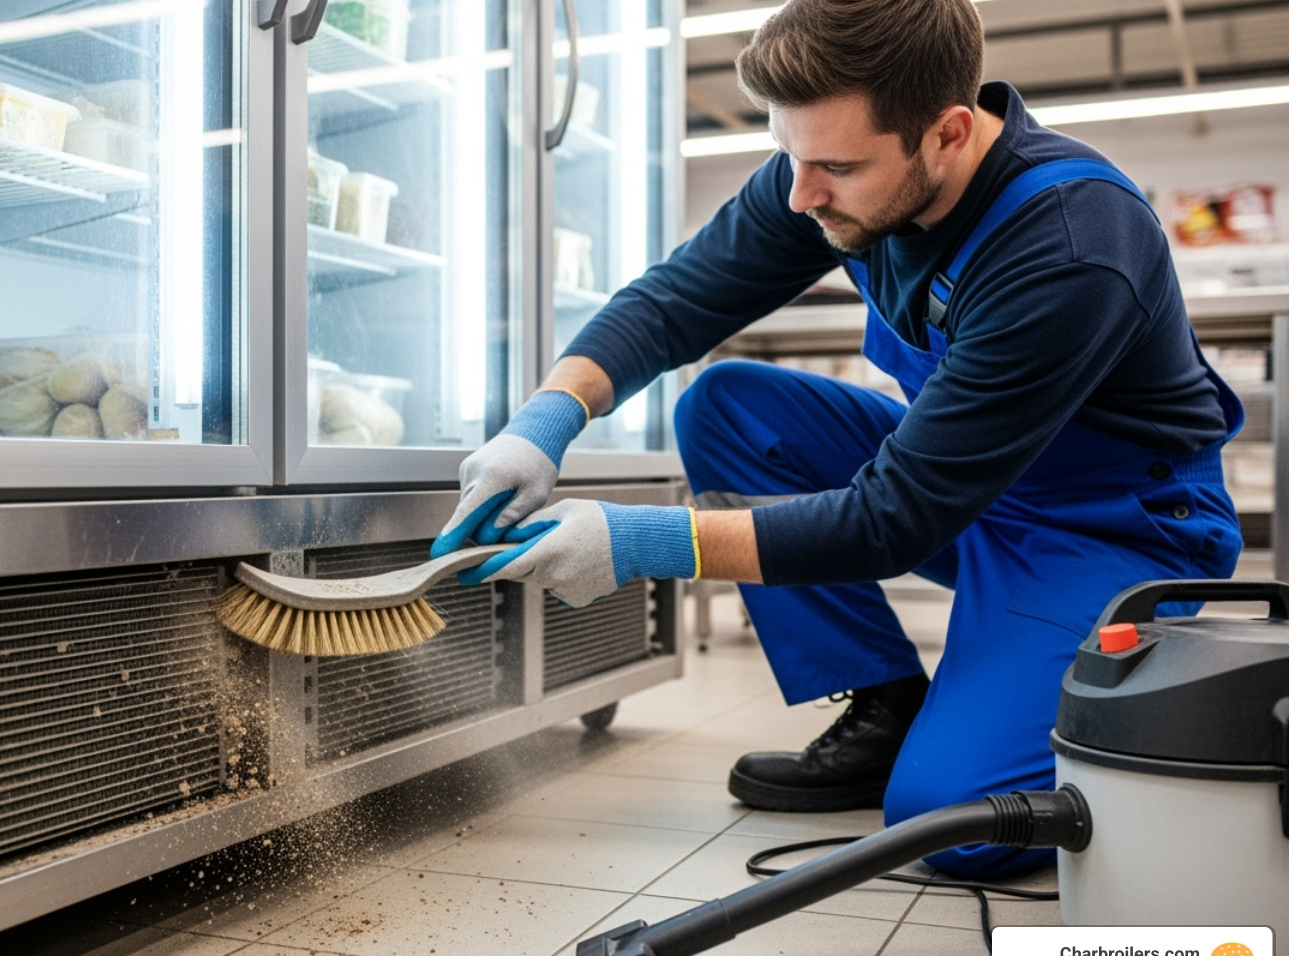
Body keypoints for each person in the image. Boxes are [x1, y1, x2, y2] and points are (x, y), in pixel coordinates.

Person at [433, 0, 1242, 878]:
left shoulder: (1071, 242)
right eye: (790, 153)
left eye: (836, 167)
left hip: (1107, 527)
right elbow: (676, 302)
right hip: (967, 496)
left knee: (957, 823)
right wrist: (543, 423)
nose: (799, 193)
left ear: (948, 133)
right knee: (728, 407)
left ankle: (1043, 685)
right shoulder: (827, 165)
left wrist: (638, 542)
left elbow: (894, 518)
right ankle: (886, 703)